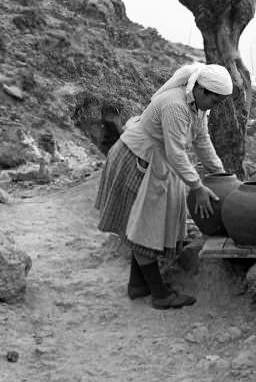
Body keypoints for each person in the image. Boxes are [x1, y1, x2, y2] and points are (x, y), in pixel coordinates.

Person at [95, 62, 233, 309]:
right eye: (215, 102)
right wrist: (198, 187)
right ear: (201, 90)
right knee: (143, 228)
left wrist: (220, 174)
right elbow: (176, 152)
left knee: (143, 226)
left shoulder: (198, 106)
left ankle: (138, 286)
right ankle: (160, 294)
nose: (216, 107)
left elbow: (202, 140)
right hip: (136, 160)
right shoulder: (176, 106)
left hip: (154, 161)